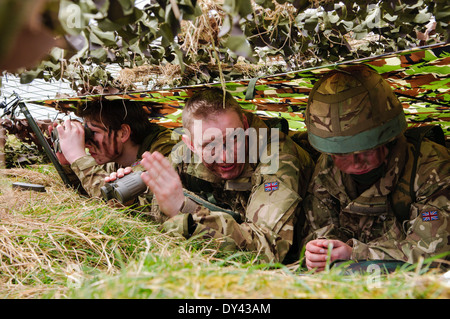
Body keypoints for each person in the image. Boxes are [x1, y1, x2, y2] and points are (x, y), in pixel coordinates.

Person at [135, 87, 314, 263]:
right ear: (190, 145)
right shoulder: (186, 151)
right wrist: (127, 196)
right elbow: (146, 193)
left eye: (233, 138)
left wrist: (185, 211)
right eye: (209, 146)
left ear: (245, 125)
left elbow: (264, 251)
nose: (225, 157)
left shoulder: (277, 156)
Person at [302, 65, 450, 271]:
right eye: (342, 154)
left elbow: (436, 252)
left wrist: (355, 253)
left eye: (366, 150)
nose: (355, 162)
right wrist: (319, 252)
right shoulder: (327, 167)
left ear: (388, 138)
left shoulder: (430, 166)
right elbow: (319, 229)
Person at [52, 98, 176, 202]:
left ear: (123, 133)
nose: (87, 144)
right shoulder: (114, 160)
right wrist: (68, 163)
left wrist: (77, 157)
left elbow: (116, 199)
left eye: (93, 132)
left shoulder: (164, 151)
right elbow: (85, 191)